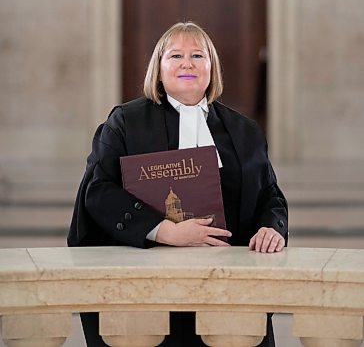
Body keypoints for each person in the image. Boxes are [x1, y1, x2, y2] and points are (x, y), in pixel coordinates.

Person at [68, 21, 288, 346]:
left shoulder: (245, 131)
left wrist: (272, 227)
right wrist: (164, 230)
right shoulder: (125, 123)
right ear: (158, 70)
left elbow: (270, 196)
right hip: (147, 287)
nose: (187, 63)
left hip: (227, 284)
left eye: (198, 55)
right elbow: (98, 191)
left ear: (211, 69)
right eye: (176, 55)